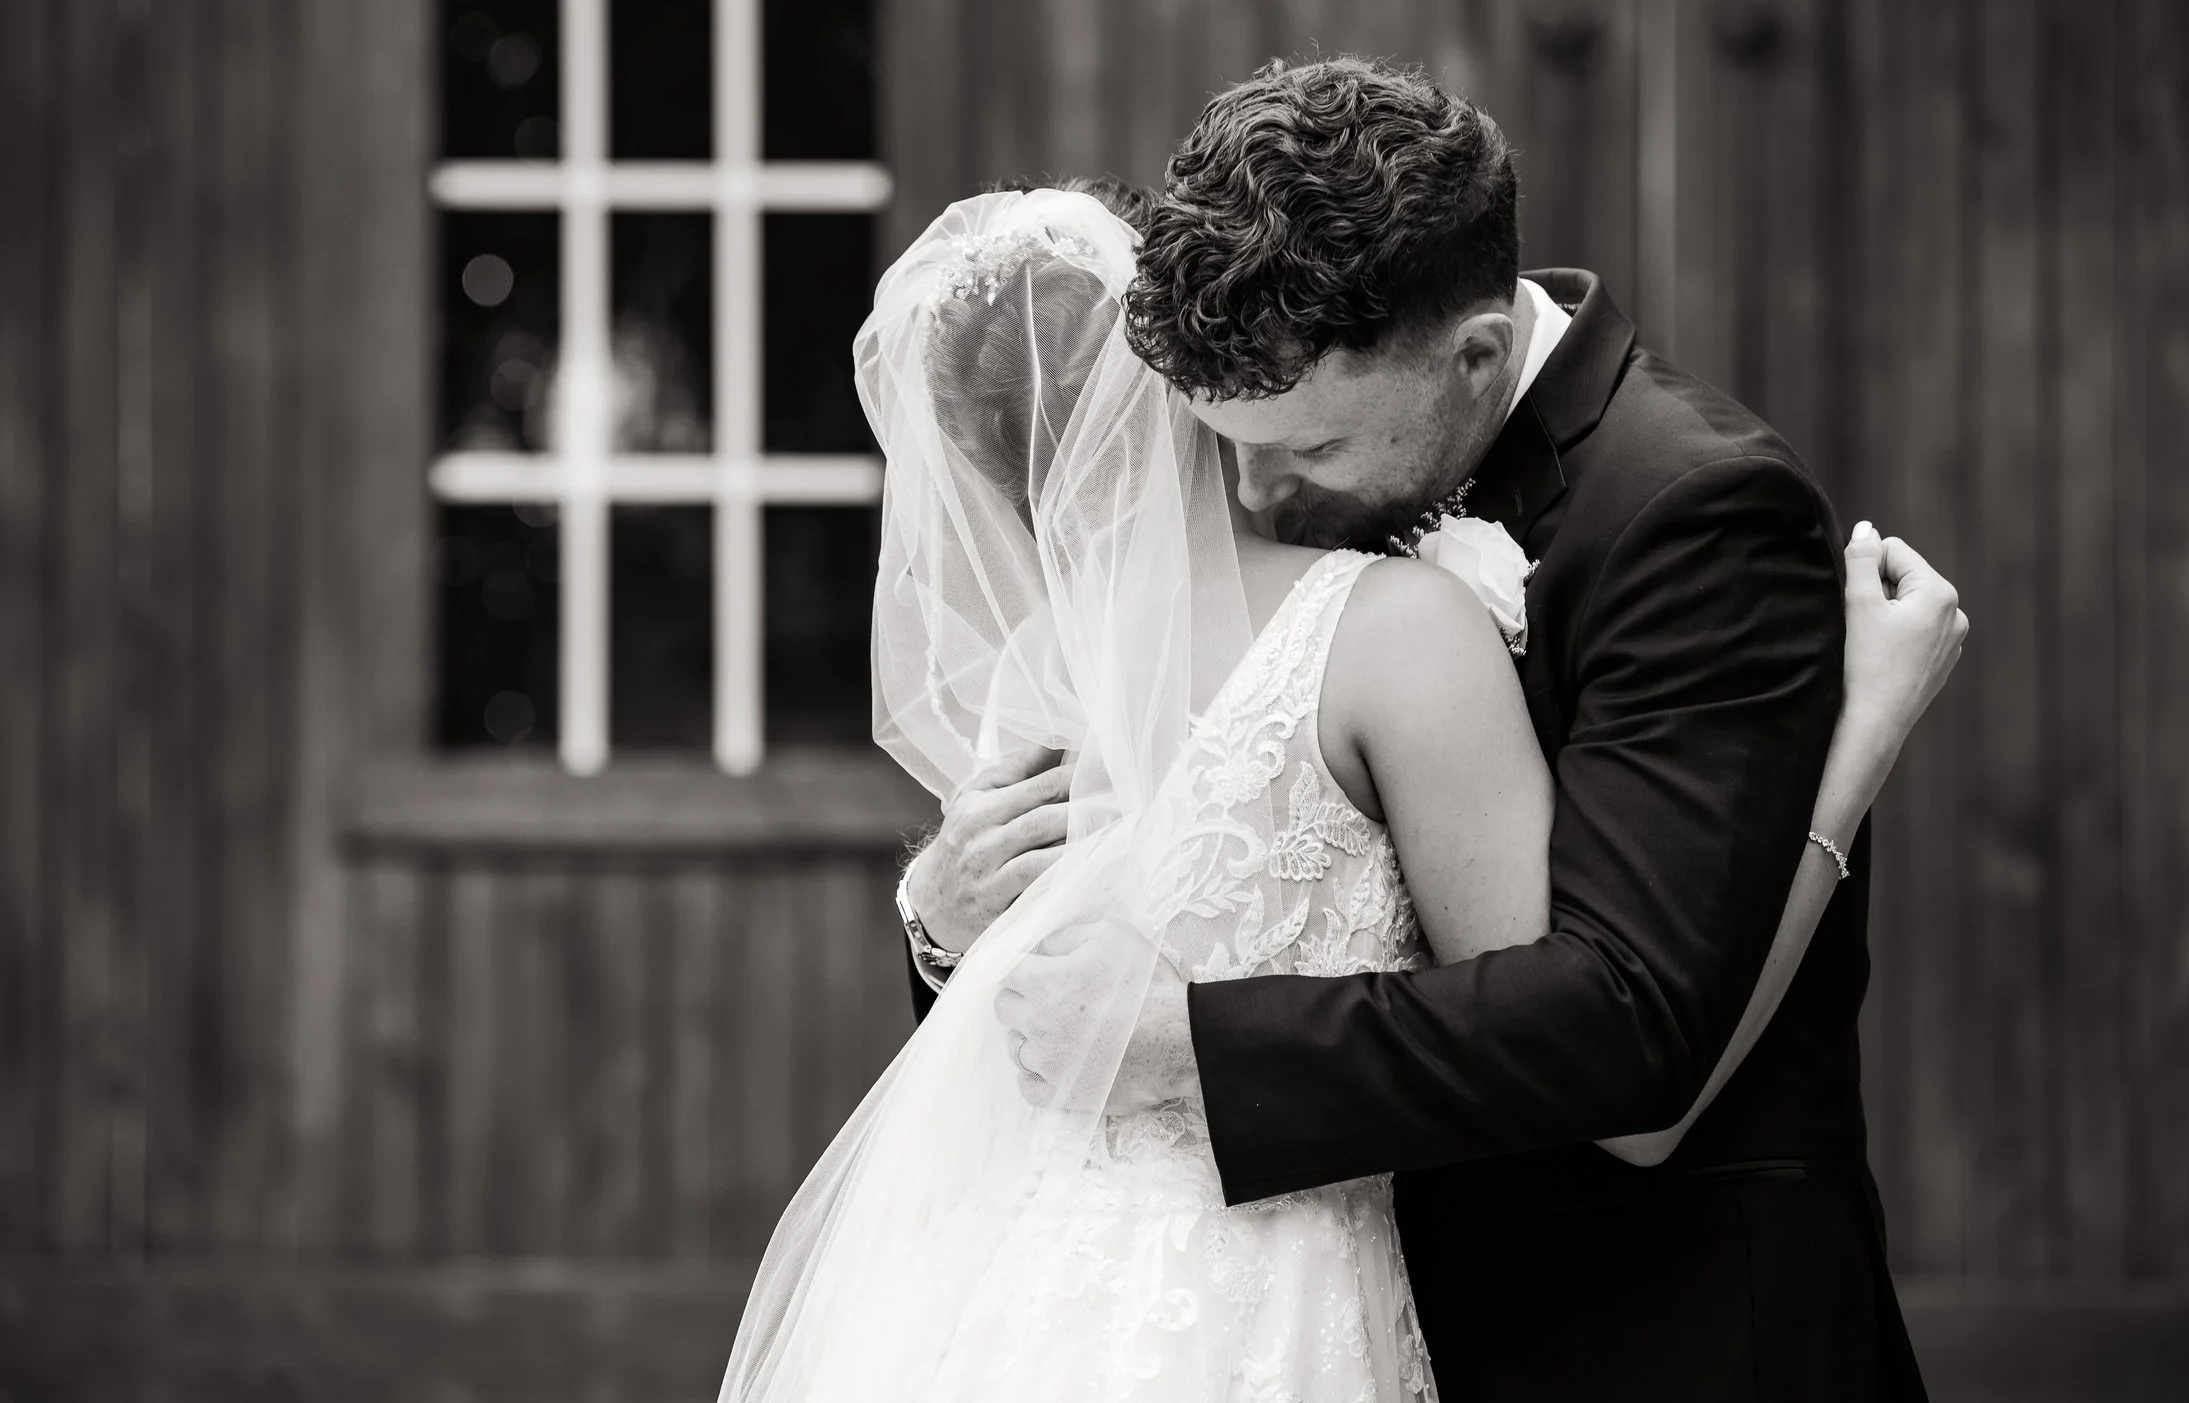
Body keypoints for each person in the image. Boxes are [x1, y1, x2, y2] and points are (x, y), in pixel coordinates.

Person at [725, 169, 1961, 1398]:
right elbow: (1050, 1021)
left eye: (1301, 442)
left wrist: (1122, 1015)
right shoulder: (1375, 616)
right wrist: (1849, 761)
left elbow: (1615, 1039)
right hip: (1263, 1302)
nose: (1270, 484)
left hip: (1078, 1314)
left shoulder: (1055, 653)